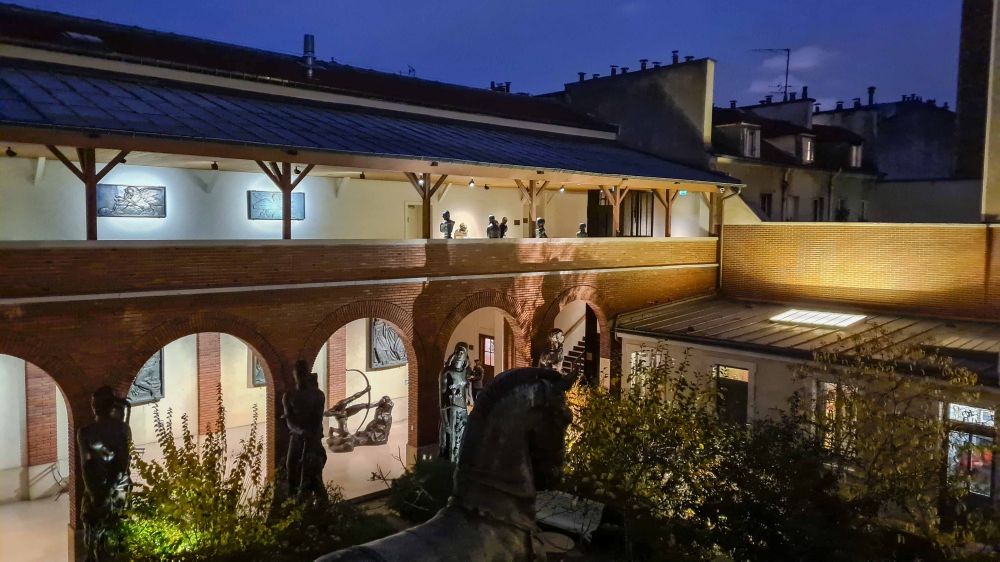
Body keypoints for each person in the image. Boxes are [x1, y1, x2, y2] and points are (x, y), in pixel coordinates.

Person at [77, 386, 131, 561]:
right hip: (118, 490)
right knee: (117, 538)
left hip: (96, 491)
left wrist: (96, 495)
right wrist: (112, 487)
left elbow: (86, 466)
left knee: (94, 541)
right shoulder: (123, 429)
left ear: (94, 406)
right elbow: (123, 463)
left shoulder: (85, 432)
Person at [283, 359, 328, 500]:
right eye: (297, 373)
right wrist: (300, 431)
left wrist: (310, 438)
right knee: (291, 467)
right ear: (294, 374)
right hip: (296, 439)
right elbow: (289, 420)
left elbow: (317, 419)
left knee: (313, 473)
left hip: (313, 439)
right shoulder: (289, 396)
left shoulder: (318, 395)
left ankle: (320, 502)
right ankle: (293, 500)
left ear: (307, 374)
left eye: (303, 373)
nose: (300, 376)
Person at [439, 342, 474, 461]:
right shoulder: (446, 372)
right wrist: (445, 422)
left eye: (462, 352)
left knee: (460, 443)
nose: (459, 354)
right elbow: (442, 399)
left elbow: (468, 387)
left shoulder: (466, 371)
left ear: (466, 355)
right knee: (449, 444)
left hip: (462, 410)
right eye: (458, 351)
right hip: (450, 411)